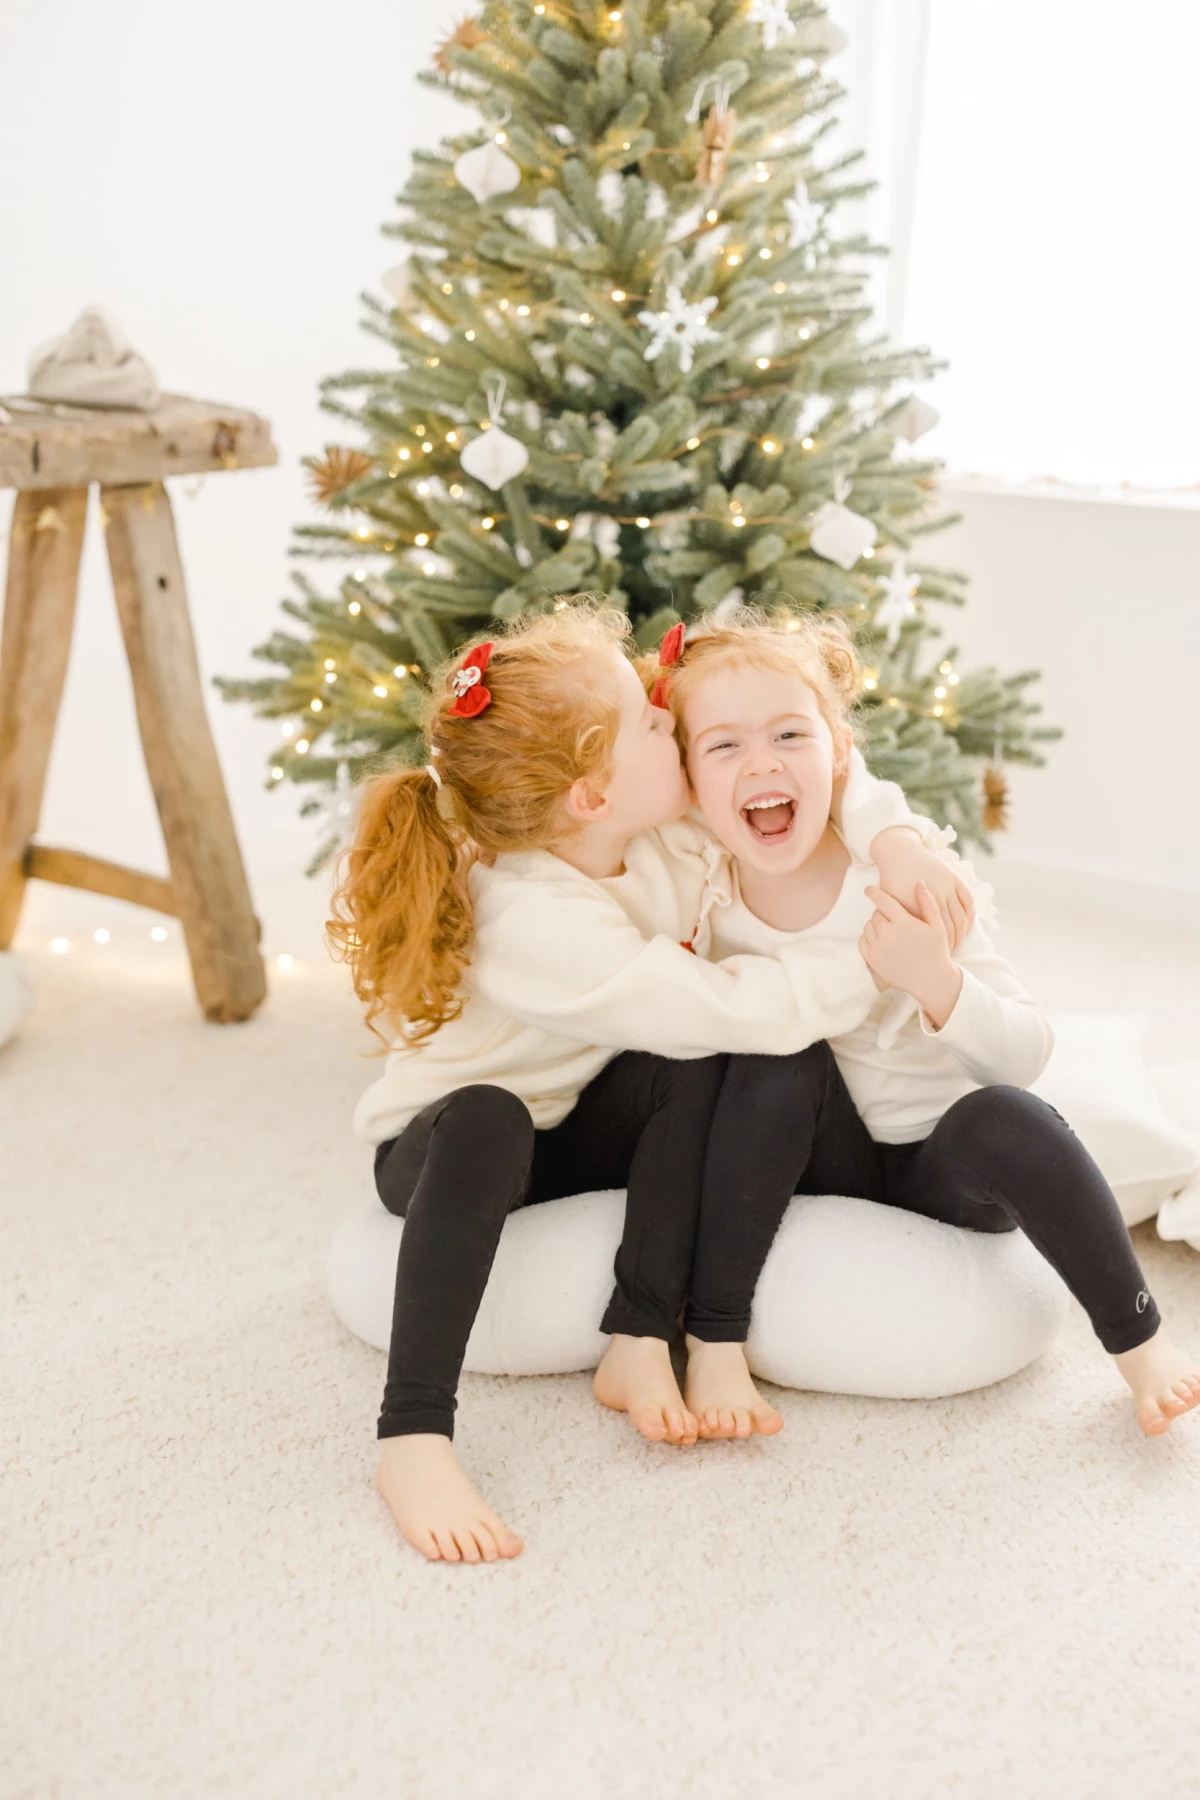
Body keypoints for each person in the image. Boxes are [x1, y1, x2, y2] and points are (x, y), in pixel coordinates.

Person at [330, 599, 968, 1562]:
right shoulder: (528, 916)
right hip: (448, 1147)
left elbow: (814, 755)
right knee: (497, 1114)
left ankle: (638, 1336)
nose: (671, 712)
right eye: (652, 720)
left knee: (688, 1066)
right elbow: (725, 1005)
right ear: (592, 795)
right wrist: (875, 963)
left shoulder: (659, 838)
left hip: (575, 1115)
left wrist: (896, 837)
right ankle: (413, 1437)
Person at [644, 608, 1200, 1443]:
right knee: (775, 1061)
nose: (761, 762)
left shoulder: (908, 875)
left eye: (791, 735)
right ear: (689, 778)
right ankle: (715, 1337)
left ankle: (1141, 1343)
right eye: (724, 746)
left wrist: (936, 980)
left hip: (941, 1166)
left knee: (1008, 1117)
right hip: (806, 1157)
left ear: (837, 754)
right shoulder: (699, 880)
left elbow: (1028, 1050)